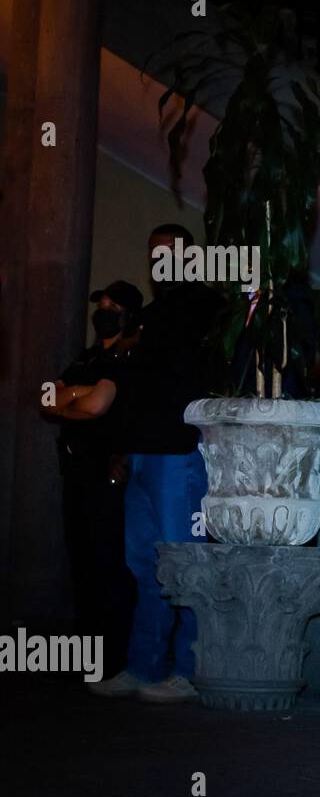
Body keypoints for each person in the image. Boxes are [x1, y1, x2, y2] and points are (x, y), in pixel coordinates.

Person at [92, 223, 226, 703]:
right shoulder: (146, 317)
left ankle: (190, 671)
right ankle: (144, 666)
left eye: (168, 253)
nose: (159, 262)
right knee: (144, 563)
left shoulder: (208, 307)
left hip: (180, 452)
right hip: (144, 454)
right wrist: (122, 450)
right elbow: (132, 391)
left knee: (185, 560)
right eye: (154, 254)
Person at [44, 280, 143, 685]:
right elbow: (47, 397)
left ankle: (113, 659)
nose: (103, 308)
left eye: (112, 304)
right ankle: (84, 655)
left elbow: (98, 404)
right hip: (76, 473)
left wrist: (75, 399)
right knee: (82, 562)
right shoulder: (86, 358)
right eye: (100, 302)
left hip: (108, 474)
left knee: (109, 565)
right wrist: (79, 399)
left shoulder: (127, 358)